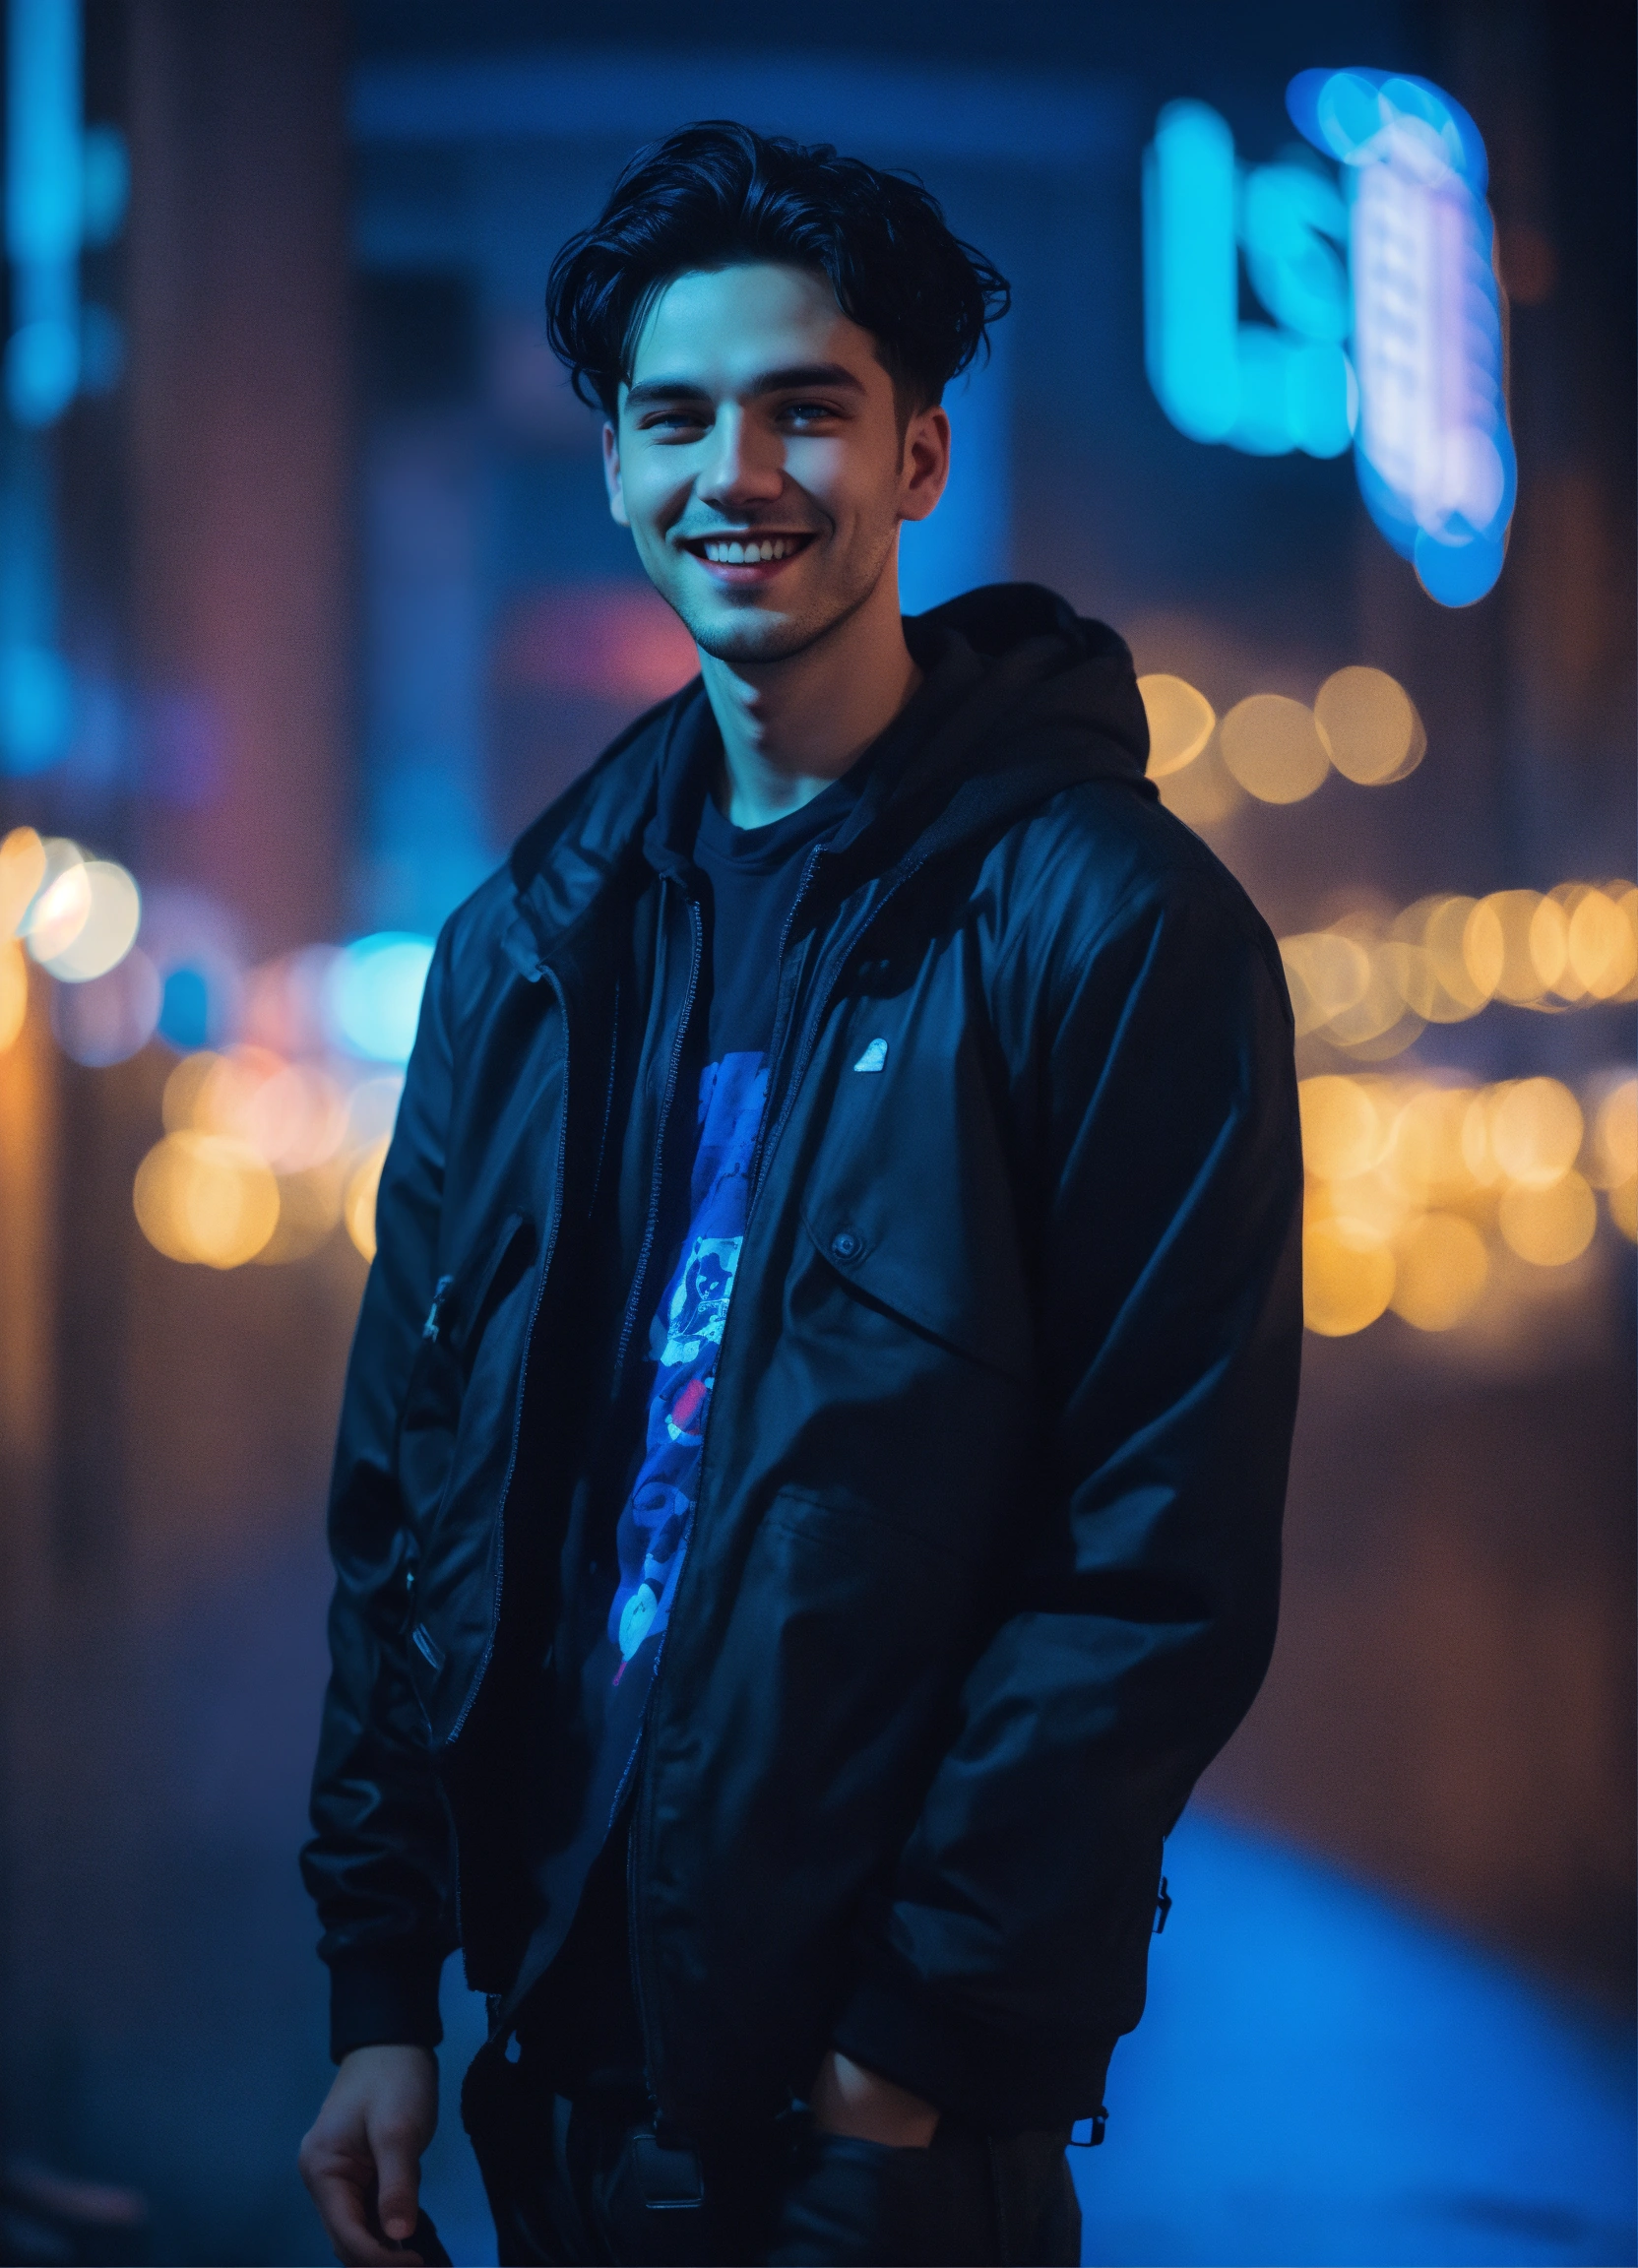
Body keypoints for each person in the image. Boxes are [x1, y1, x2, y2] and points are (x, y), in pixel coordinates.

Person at [297, 121, 1303, 2268]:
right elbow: (408, 1492)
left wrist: (910, 2050)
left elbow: (1160, 1555)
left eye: (807, 411)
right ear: (613, 468)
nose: (734, 470)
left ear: (921, 460)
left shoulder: (1108, 930)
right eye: (675, 415)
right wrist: (379, 1989)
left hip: (873, 2131)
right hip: (543, 2073)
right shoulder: (532, 947)